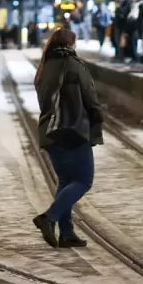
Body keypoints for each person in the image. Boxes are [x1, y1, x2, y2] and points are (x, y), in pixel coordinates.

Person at [32, 28, 104, 248]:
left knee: (65, 181)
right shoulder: (73, 64)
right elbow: (90, 97)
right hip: (73, 131)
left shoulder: (44, 67)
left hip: (50, 132)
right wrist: (97, 117)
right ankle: (49, 217)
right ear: (71, 44)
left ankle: (66, 233)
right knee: (83, 181)